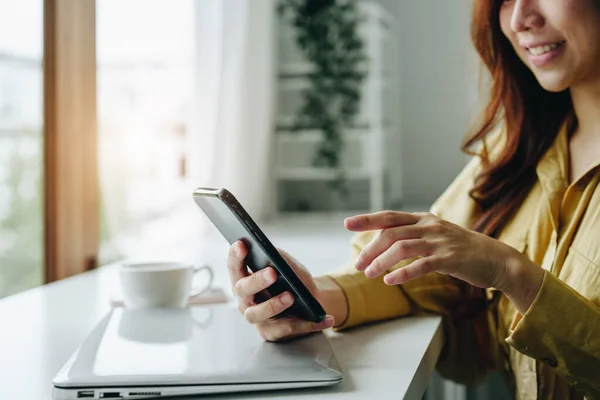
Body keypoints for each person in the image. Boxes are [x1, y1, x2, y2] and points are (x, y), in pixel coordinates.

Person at [227, 0, 600, 398]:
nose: (521, 19)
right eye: (505, 0)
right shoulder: (519, 147)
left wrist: (511, 272)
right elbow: (428, 273)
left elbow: (490, 267)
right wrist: (317, 299)